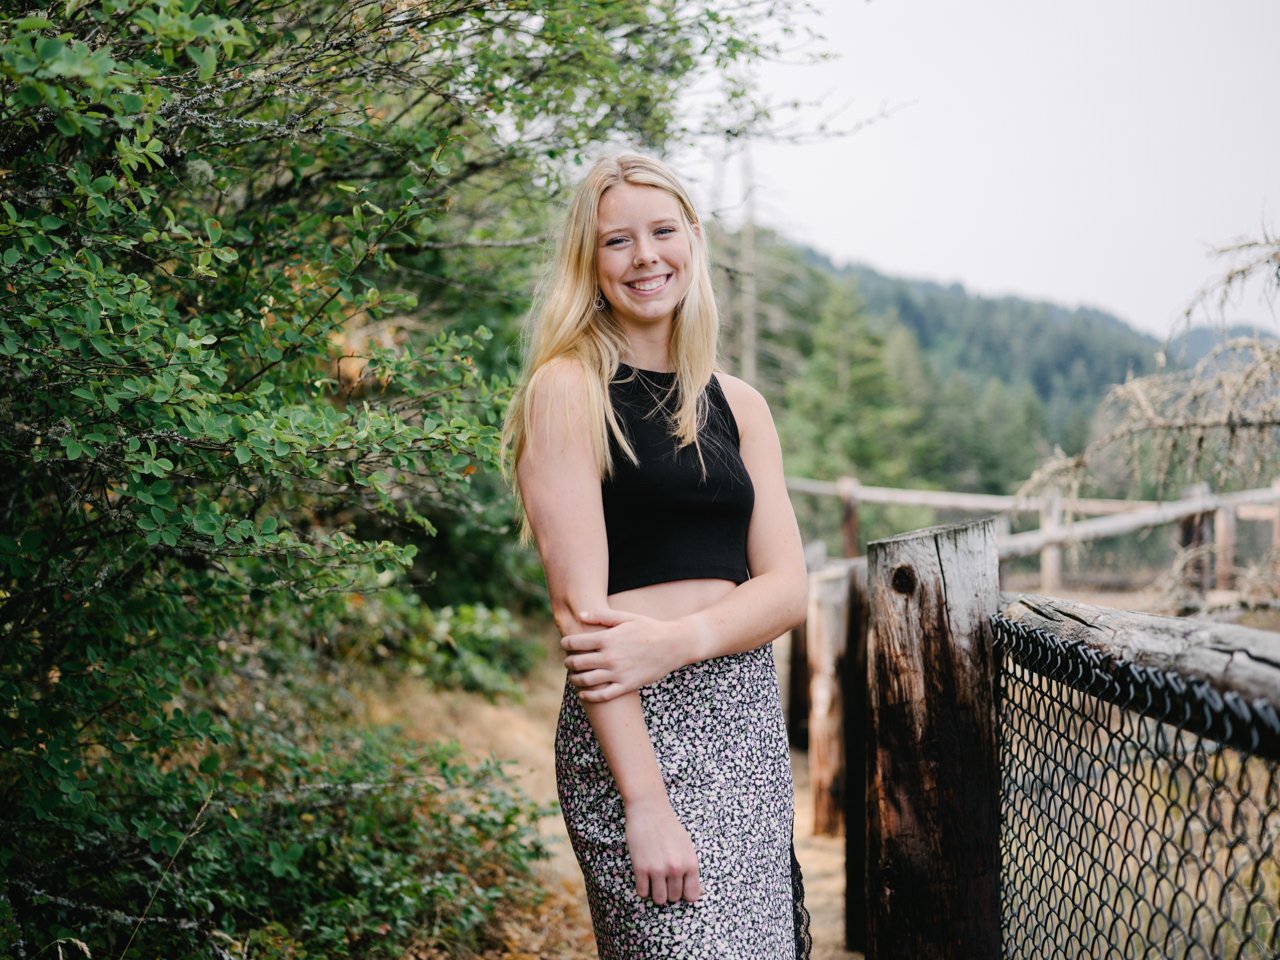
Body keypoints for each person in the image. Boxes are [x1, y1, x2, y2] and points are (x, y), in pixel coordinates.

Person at [503, 153, 811, 959]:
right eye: (617, 242)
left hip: (742, 719)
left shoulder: (740, 404)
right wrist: (644, 802)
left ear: (693, 240)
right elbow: (582, 618)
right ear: (589, 262)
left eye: (662, 231)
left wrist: (679, 640)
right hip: (635, 730)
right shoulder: (566, 390)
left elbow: (786, 591)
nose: (646, 257)